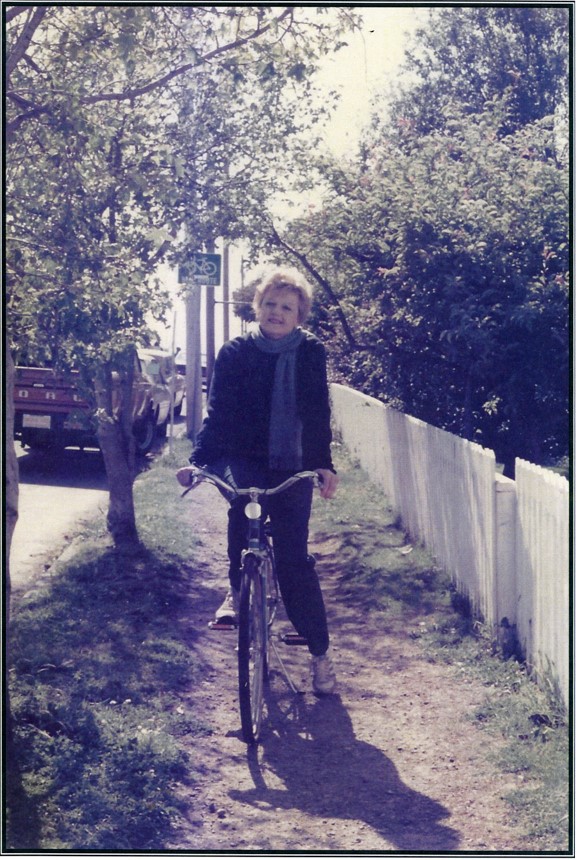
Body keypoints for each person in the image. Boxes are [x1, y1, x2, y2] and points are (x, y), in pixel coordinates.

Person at [176, 267, 339, 695]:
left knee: (293, 560)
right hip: (244, 457)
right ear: (257, 307)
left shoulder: (310, 353)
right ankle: (237, 589)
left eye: (287, 306)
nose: (276, 312)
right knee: (241, 507)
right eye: (270, 304)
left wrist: (323, 464)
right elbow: (219, 415)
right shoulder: (234, 353)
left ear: (299, 314)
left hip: (292, 463)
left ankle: (320, 655)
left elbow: (317, 413)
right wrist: (197, 463)